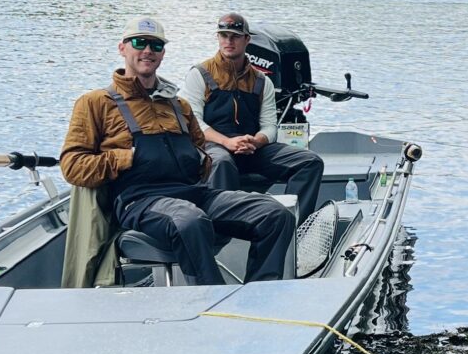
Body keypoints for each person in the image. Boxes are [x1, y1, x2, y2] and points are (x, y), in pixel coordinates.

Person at [59, 15, 293, 286]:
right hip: (140, 201)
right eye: (139, 43)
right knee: (190, 221)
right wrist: (128, 157)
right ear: (122, 48)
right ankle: (214, 303)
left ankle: (259, 295)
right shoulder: (94, 103)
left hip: (194, 193)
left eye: (156, 46)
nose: (148, 50)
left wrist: (199, 159)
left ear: (162, 54)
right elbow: (73, 166)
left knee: (274, 214)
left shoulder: (178, 105)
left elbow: (201, 151)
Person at [177, 12, 325, 225]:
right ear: (217, 38)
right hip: (212, 146)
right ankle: (222, 229)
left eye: (235, 36)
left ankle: (294, 228)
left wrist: (257, 141)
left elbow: (269, 126)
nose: (229, 41)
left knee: (309, 162)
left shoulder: (262, 81)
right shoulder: (200, 74)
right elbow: (194, 123)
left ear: (247, 40)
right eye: (224, 35)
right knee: (221, 162)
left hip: (251, 148)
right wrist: (227, 142)